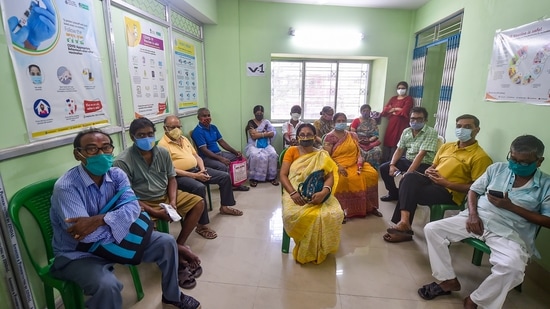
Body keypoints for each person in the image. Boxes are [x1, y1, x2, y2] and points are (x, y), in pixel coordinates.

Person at [49, 128, 201, 309]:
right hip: (80, 253)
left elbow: (133, 208)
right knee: (108, 286)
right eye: (92, 149)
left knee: (166, 242)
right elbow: (85, 236)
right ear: (78, 154)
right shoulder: (66, 187)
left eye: (106, 148)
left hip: (115, 241)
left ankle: (172, 298)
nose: (101, 154)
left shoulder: (116, 175)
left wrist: (99, 219)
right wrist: (120, 223)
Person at [418, 135, 550, 309]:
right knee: (432, 229)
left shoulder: (546, 185)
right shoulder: (497, 169)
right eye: (513, 159)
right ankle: (448, 280)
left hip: (510, 231)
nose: (516, 165)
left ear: (539, 161)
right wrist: (472, 214)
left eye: (524, 162)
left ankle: (476, 300)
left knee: (512, 268)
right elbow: (473, 190)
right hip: (476, 218)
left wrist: (510, 207)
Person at [113, 118, 205, 289]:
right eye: (141, 135)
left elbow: (172, 179)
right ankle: (177, 261)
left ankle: (179, 244)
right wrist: (154, 212)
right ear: (133, 137)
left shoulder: (162, 153)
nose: (147, 138)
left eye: (150, 134)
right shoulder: (123, 161)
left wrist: (172, 201)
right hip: (139, 202)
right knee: (151, 232)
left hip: (164, 196)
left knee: (198, 203)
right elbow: (126, 196)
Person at [383, 114, 492, 243]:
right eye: (459, 126)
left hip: (449, 191)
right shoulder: (447, 146)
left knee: (409, 190)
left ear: (477, 130)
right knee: (408, 177)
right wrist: (430, 170)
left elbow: (476, 188)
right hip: (431, 180)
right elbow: (434, 165)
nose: (462, 129)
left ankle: (403, 228)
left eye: (467, 127)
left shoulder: (480, 157)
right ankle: (404, 223)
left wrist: (447, 183)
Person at [159, 115, 243, 236]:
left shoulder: (184, 139)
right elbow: (170, 170)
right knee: (199, 187)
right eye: (173, 127)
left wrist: (202, 170)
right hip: (179, 176)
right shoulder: (162, 145)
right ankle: (202, 225)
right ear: (165, 128)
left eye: (178, 126)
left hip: (196, 169)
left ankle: (224, 207)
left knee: (224, 176)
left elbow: (196, 156)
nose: (176, 129)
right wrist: (194, 176)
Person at [280, 123, 345, 264]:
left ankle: (321, 248)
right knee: (293, 214)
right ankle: (305, 248)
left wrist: (324, 192)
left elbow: (329, 176)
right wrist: (293, 193)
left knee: (334, 213)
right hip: (294, 189)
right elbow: (283, 175)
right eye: (302, 135)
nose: (305, 137)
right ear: (297, 137)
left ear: (315, 137)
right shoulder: (291, 151)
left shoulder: (322, 154)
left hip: (319, 190)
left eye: (309, 134)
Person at [324, 113, 381, 218]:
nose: (341, 123)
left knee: (372, 174)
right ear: (334, 123)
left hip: (355, 163)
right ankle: (341, 210)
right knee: (342, 179)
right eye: (339, 121)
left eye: (343, 120)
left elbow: (357, 151)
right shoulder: (330, 137)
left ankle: (370, 207)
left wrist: (360, 158)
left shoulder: (352, 135)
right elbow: (327, 157)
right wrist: (338, 166)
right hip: (337, 164)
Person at [379, 107, 439, 202]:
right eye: (413, 118)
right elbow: (399, 149)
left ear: (426, 120)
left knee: (409, 179)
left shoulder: (431, 132)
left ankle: (407, 199)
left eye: (419, 119)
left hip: (423, 164)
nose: (415, 121)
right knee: (384, 168)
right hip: (408, 160)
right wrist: (392, 165)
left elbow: (421, 154)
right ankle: (393, 193)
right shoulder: (406, 131)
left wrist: (408, 173)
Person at [191, 107, 250, 191]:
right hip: (206, 158)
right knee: (222, 166)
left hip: (218, 153)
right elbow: (205, 150)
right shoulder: (197, 132)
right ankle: (228, 187)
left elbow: (222, 142)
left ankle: (236, 183)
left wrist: (235, 151)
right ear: (199, 118)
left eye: (208, 115)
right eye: (204, 116)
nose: (207, 118)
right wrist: (221, 159)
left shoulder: (213, 127)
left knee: (238, 157)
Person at [244, 105, 279, 187]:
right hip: (253, 145)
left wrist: (259, 134)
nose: (259, 115)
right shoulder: (251, 122)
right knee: (255, 155)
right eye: (257, 113)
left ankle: (271, 177)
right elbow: (253, 136)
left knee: (273, 154)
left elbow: (272, 133)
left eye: (261, 113)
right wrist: (265, 134)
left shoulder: (266, 122)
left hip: (266, 145)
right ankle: (254, 178)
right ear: (254, 113)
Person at [380, 81, 413, 162]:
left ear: (406, 89)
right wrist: (397, 109)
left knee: (398, 142)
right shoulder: (393, 98)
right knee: (388, 141)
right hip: (391, 123)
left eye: (403, 88)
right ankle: (385, 162)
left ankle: (393, 162)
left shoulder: (408, 99)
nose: (401, 90)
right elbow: (384, 111)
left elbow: (404, 112)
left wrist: (392, 109)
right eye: (399, 88)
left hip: (401, 124)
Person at [350, 104, 382, 169]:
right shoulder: (356, 120)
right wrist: (359, 140)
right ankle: (361, 167)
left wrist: (369, 140)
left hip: (370, 141)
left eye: (367, 111)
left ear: (370, 112)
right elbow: (352, 133)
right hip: (358, 141)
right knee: (360, 151)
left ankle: (372, 169)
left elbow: (375, 134)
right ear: (361, 111)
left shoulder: (373, 121)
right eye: (364, 111)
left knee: (377, 150)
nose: (366, 112)